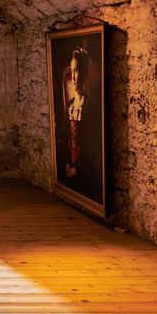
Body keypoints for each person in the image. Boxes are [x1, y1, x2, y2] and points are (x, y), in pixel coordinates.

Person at [62, 46, 100, 202]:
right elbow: (67, 137)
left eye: (77, 71)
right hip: (70, 164)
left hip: (85, 167)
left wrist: (78, 168)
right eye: (72, 71)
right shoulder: (71, 104)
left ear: (84, 73)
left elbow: (92, 145)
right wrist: (67, 163)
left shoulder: (90, 107)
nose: (74, 76)